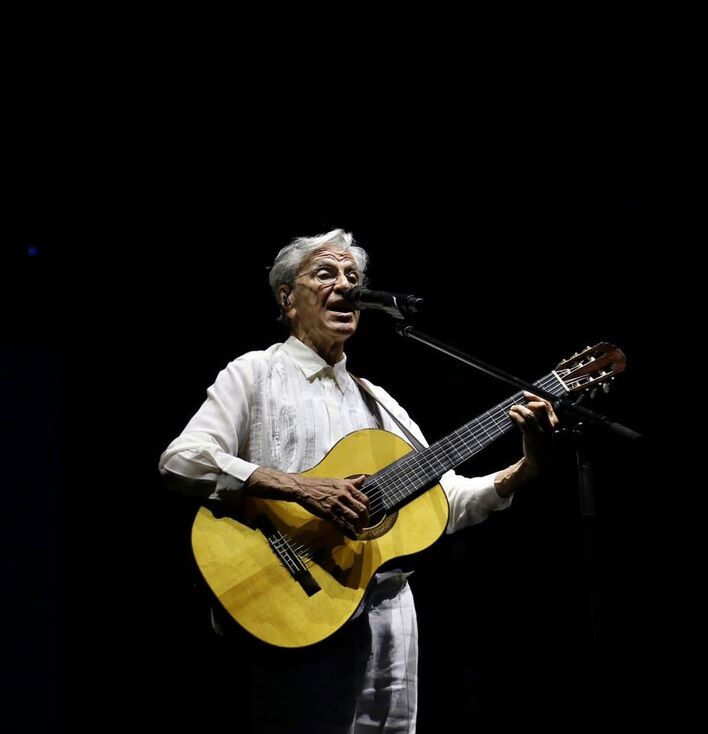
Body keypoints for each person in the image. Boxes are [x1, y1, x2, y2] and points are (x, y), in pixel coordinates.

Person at [159, 228, 559, 733]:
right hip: (297, 600)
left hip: (388, 612)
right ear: (289, 298)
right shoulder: (256, 372)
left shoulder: (378, 399)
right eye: (326, 274)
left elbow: (445, 500)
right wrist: (298, 487)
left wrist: (528, 468)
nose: (345, 286)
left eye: (353, 277)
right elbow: (183, 460)